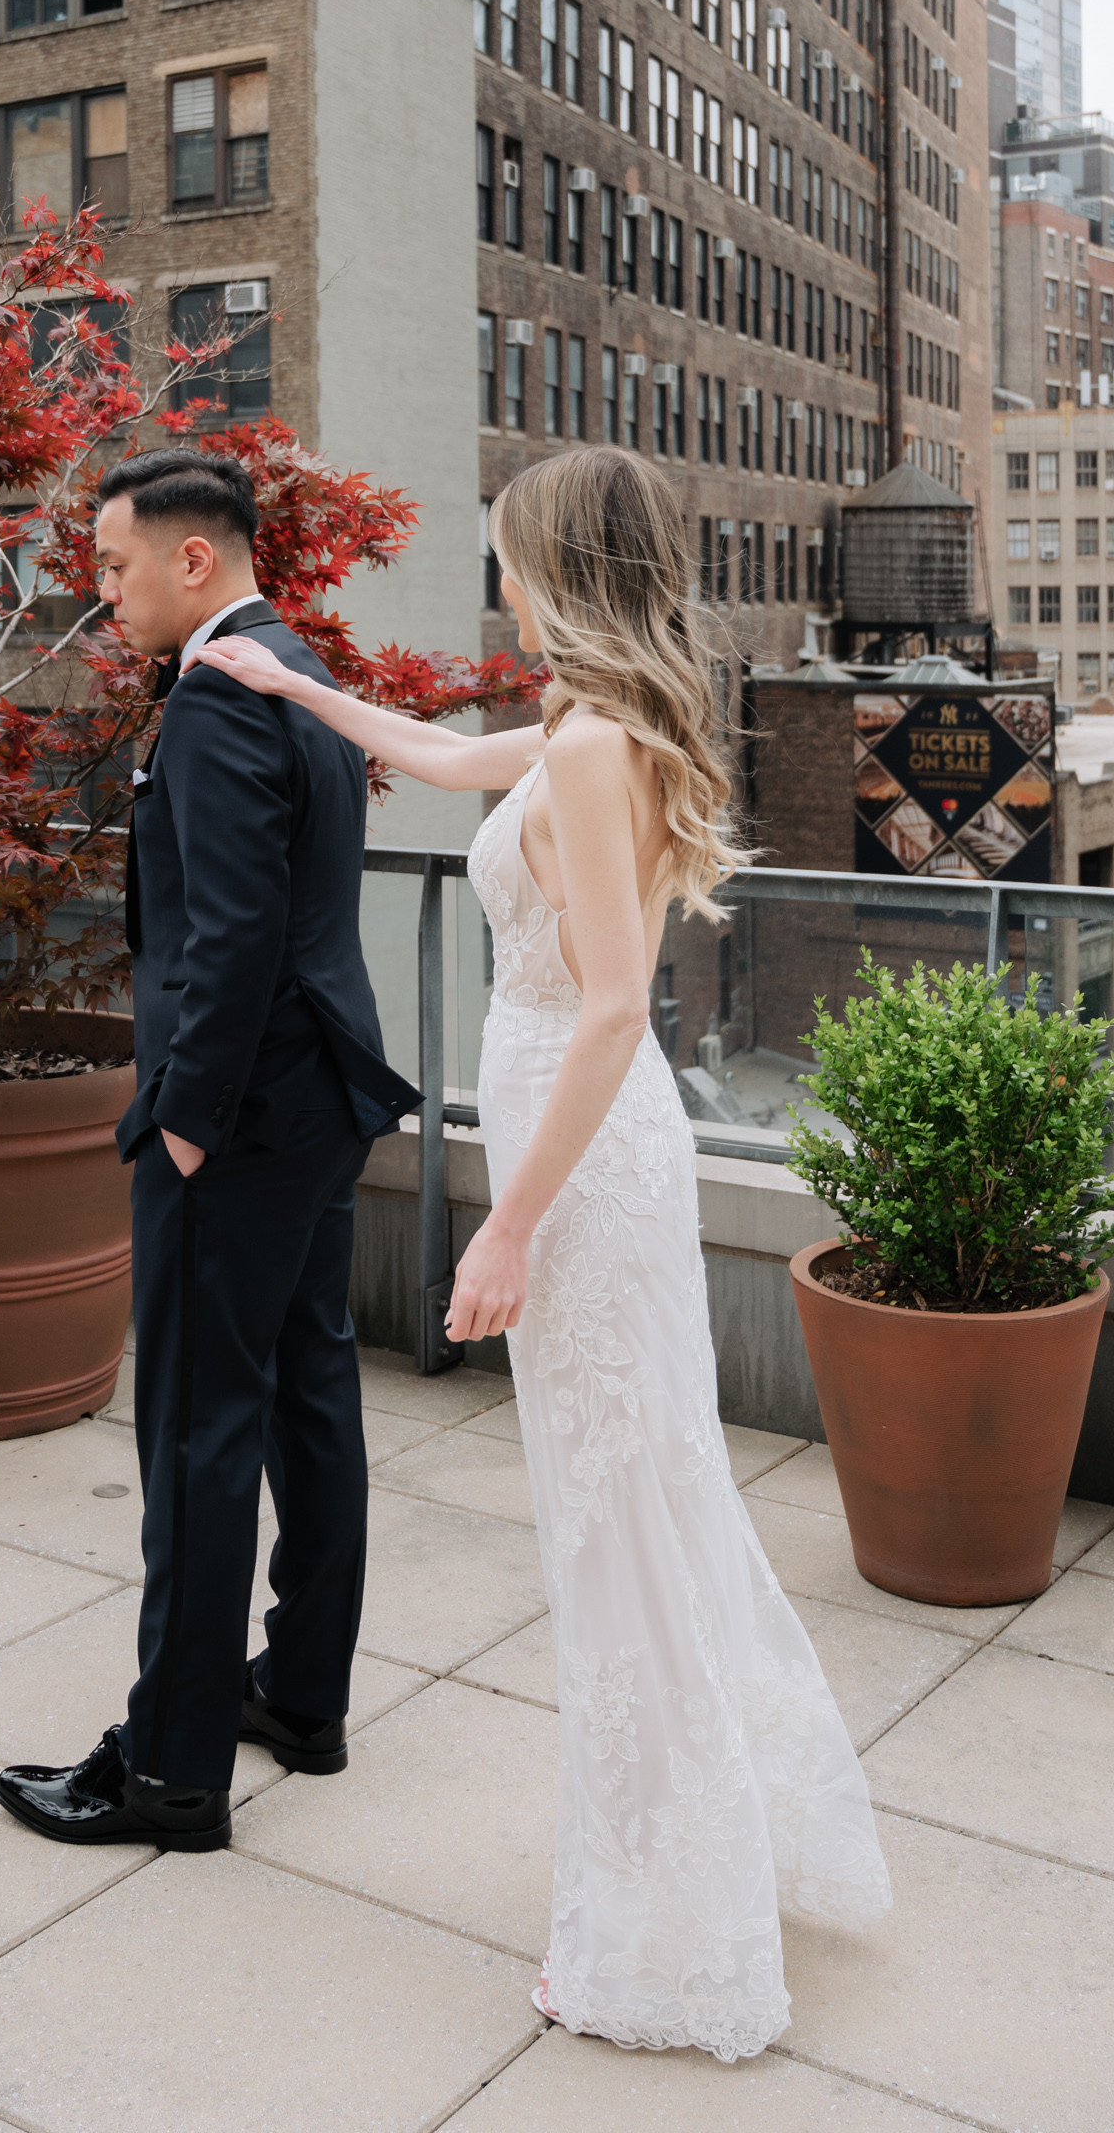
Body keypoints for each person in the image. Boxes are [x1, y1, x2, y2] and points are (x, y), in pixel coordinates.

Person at [199, 447, 890, 2057]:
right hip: (575, 1144)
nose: (498, 581)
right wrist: (292, 687)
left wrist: (506, 1225)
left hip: (579, 1164)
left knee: (616, 1533)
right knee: (641, 1512)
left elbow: (605, 1005)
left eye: (511, 556)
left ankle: (663, 1940)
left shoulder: (597, 750)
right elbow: (436, 757)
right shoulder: (593, 728)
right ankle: (711, 1864)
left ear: (562, 569)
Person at [0, 448, 417, 1855]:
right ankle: (300, 1696)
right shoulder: (292, 672)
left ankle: (170, 1773)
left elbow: (229, 938)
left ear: (195, 559)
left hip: (234, 1123)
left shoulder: (225, 700)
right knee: (310, 1397)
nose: (102, 594)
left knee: (194, 1432)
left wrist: (179, 1123)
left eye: (115, 567)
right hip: (317, 1105)